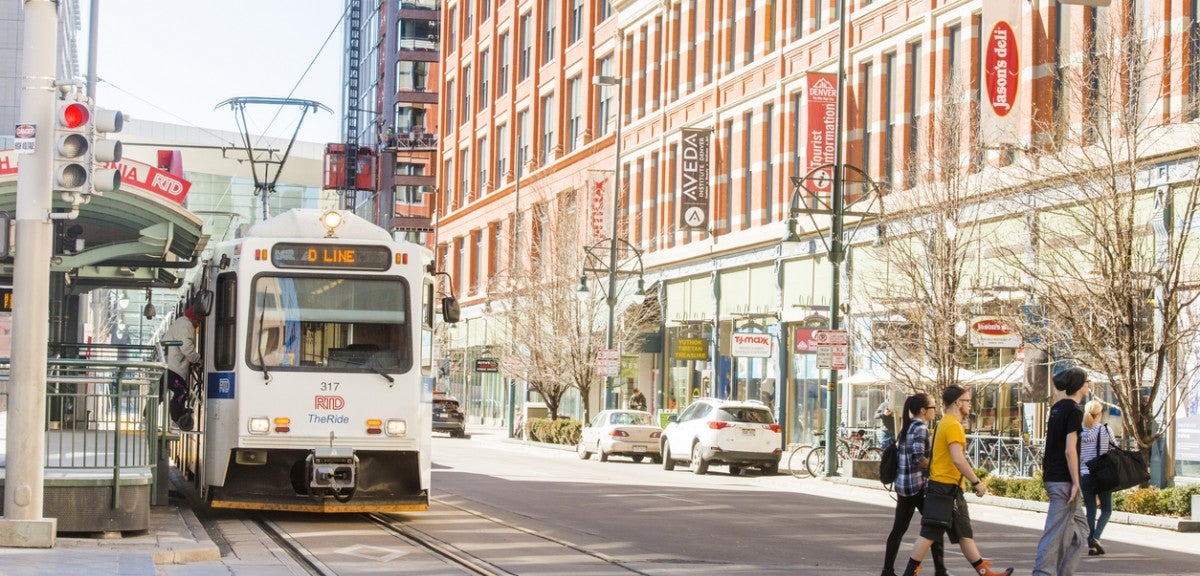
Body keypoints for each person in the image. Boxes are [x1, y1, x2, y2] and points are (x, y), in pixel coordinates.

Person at [901, 385, 1012, 576]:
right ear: (958, 403)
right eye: (968, 401)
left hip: (949, 488)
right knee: (929, 534)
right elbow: (957, 458)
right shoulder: (953, 425)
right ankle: (909, 573)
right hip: (944, 488)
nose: (970, 404)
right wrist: (976, 481)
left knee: (964, 533)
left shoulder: (944, 422)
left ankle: (985, 572)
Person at [881, 393, 949, 576]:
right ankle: (940, 571)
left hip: (903, 485)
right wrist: (937, 464)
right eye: (933, 407)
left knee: (898, 530)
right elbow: (918, 458)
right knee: (934, 526)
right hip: (917, 486)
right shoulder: (920, 428)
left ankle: (887, 571)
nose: (935, 411)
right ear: (923, 410)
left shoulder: (907, 426)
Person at [1033, 368, 1090, 575]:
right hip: (1064, 481)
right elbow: (1069, 450)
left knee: (1081, 532)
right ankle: (1043, 573)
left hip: (1054, 476)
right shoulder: (1074, 410)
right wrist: (1076, 482)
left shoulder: (1057, 408)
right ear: (1078, 385)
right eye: (1086, 381)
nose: (1088, 385)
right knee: (1054, 532)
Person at [1079, 399, 1112, 556]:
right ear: (1099, 414)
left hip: (1084, 474)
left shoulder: (1079, 431)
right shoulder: (1104, 430)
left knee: (1090, 510)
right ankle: (1095, 538)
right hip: (1102, 475)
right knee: (1106, 509)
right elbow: (1112, 449)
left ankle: (1091, 545)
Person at [163, 306, 202, 429]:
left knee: (159, 392)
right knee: (182, 391)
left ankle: (146, 417)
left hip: (168, 364)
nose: (198, 325)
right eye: (198, 321)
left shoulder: (181, 323)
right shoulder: (186, 326)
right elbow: (186, 347)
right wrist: (197, 359)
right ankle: (175, 420)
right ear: (194, 319)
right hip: (173, 367)